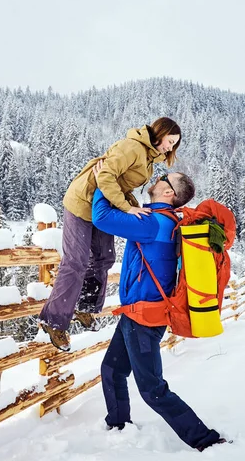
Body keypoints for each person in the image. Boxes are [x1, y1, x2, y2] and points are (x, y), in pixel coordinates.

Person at [92, 166, 227, 452]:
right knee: (112, 370)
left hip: (145, 317)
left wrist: (103, 181)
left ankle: (206, 441)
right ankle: (118, 425)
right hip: (135, 313)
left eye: (163, 179)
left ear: (168, 192)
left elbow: (101, 217)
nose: (157, 178)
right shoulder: (159, 220)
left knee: (152, 389)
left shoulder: (155, 223)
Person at [39, 117, 181, 351]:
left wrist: (133, 204)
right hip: (82, 201)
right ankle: (53, 319)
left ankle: (85, 306)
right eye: (170, 141)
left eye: (174, 145)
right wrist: (126, 207)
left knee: (104, 258)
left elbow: (121, 185)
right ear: (160, 133)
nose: (170, 147)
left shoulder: (148, 158)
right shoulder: (133, 147)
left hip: (104, 204)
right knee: (76, 261)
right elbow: (105, 176)